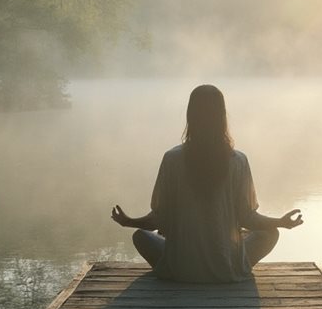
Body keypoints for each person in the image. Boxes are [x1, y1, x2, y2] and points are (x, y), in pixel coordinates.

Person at [111, 84, 303, 283]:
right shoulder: (238, 161)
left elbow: (158, 220)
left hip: (180, 270)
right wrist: (281, 222)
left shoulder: (172, 159)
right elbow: (248, 218)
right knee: (269, 233)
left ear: (190, 116)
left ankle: (188, 251)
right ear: (222, 117)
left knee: (140, 236)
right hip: (226, 270)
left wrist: (129, 222)